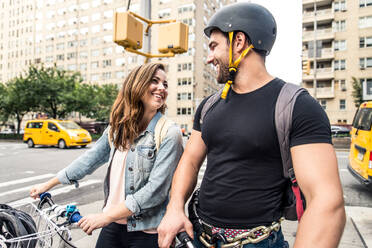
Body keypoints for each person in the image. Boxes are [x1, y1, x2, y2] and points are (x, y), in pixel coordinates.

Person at [157, 3, 346, 248]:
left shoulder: (296, 105)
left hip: (258, 242)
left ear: (239, 42)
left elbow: (326, 202)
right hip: (198, 237)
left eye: (214, 46)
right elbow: (191, 160)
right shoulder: (209, 106)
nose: (209, 57)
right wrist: (175, 208)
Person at [30, 62, 183, 248]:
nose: (162, 88)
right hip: (113, 226)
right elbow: (89, 160)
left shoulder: (169, 132)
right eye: (155, 81)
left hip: (148, 231)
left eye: (165, 84)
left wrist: (104, 217)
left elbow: (155, 191)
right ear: (137, 85)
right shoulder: (117, 129)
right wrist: (47, 184)